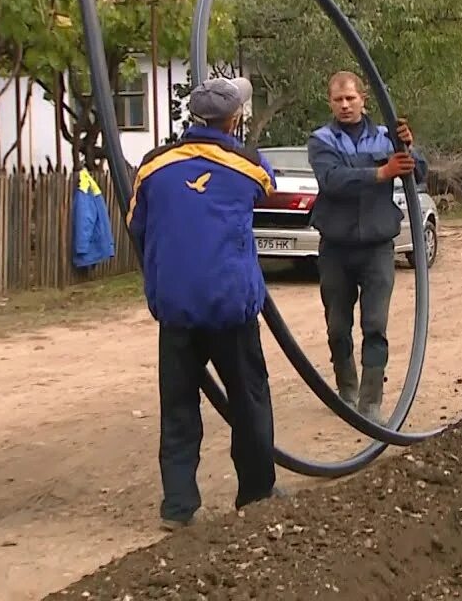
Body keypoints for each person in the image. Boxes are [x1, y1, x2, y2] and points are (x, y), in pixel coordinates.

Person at [127, 76, 280, 532]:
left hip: (175, 308)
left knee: (177, 407)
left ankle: (178, 506)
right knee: (249, 402)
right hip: (230, 307)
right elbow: (267, 188)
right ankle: (255, 494)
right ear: (235, 119)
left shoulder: (153, 165)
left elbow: (137, 225)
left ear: (193, 117)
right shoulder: (247, 164)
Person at [307, 71, 428, 423]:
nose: (345, 106)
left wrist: (409, 146)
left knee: (375, 324)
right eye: (338, 100)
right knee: (337, 326)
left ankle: (371, 400)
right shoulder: (322, 140)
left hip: (377, 246)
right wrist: (380, 172)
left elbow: (417, 172)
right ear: (329, 102)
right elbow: (332, 180)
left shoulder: (386, 137)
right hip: (336, 247)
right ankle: (347, 387)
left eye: (351, 98)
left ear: (363, 99)